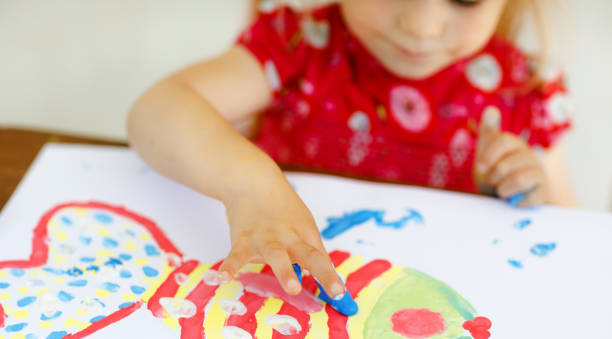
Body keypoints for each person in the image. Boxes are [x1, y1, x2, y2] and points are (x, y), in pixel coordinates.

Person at [127, 0, 577, 299]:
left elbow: (574, 237)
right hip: (286, 298)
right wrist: (250, 186)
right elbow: (155, 111)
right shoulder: (298, 45)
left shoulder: (524, 92)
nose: (421, 26)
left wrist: (525, 185)